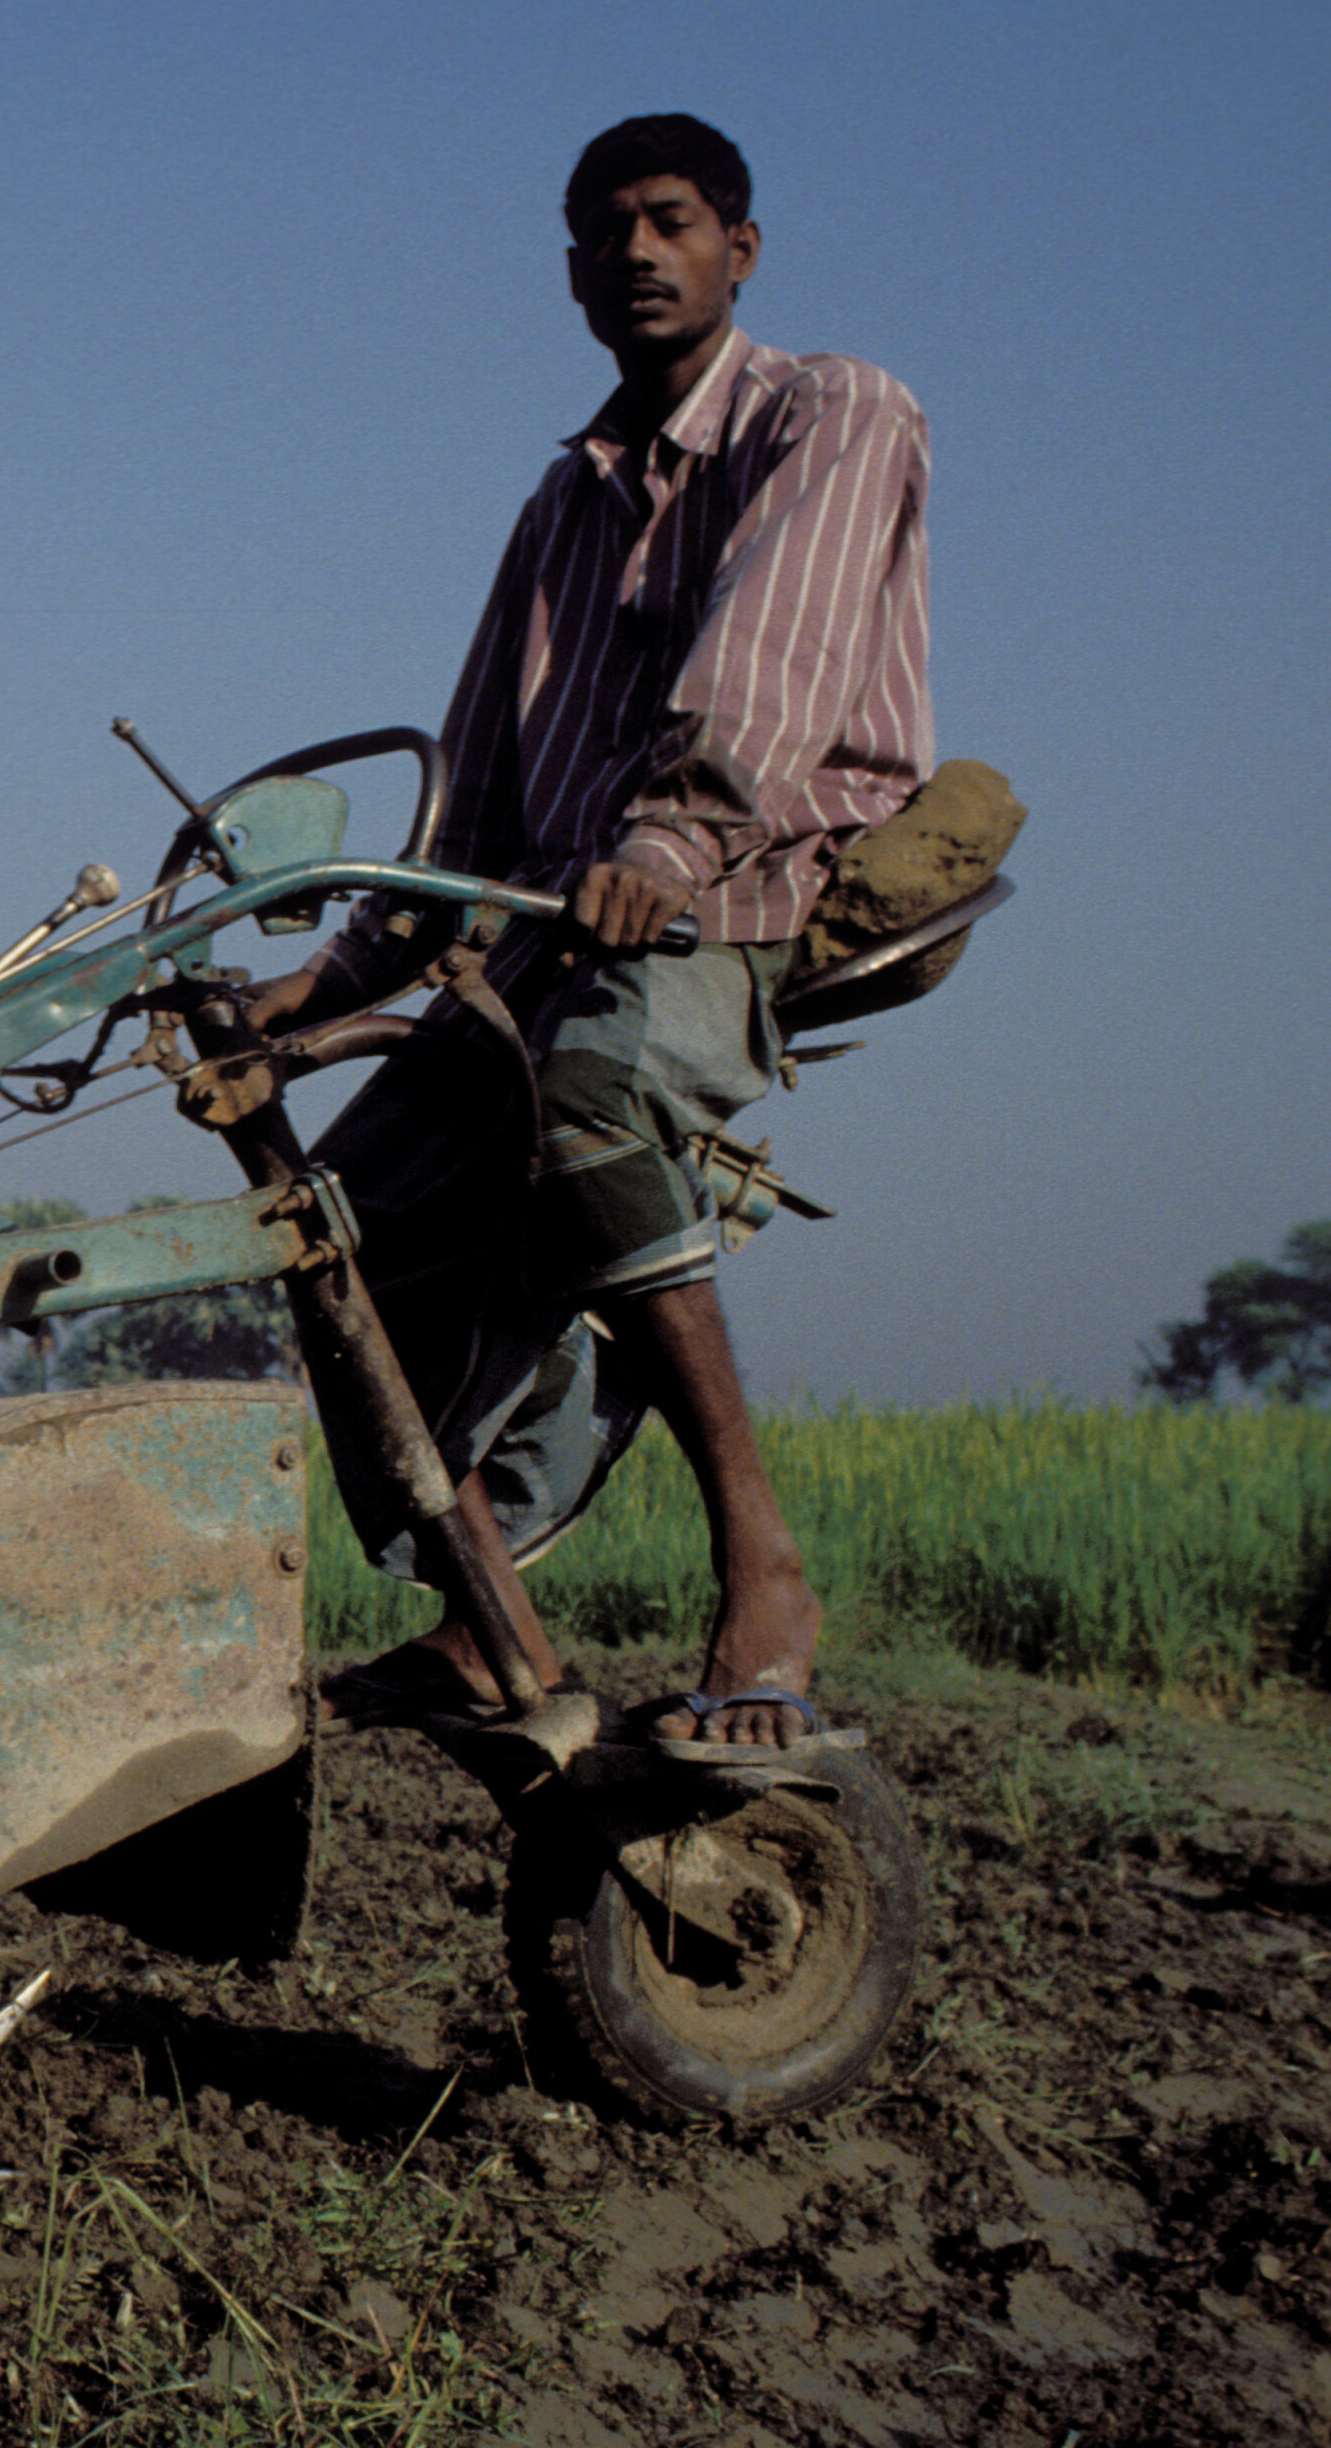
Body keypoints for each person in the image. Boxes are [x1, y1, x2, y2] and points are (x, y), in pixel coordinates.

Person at [246, 114, 931, 1752]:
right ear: (568, 272)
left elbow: (780, 644)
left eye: (671, 220)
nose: (637, 251)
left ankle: (764, 1568)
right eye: (604, 231)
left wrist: (669, 835)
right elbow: (472, 792)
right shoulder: (563, 502)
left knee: (597, 1091)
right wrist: (327, 982)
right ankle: (491, 1614)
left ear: (737, 248)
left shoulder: (831, 409)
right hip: (551, 931)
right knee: (338, 1219)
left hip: (748, 887)